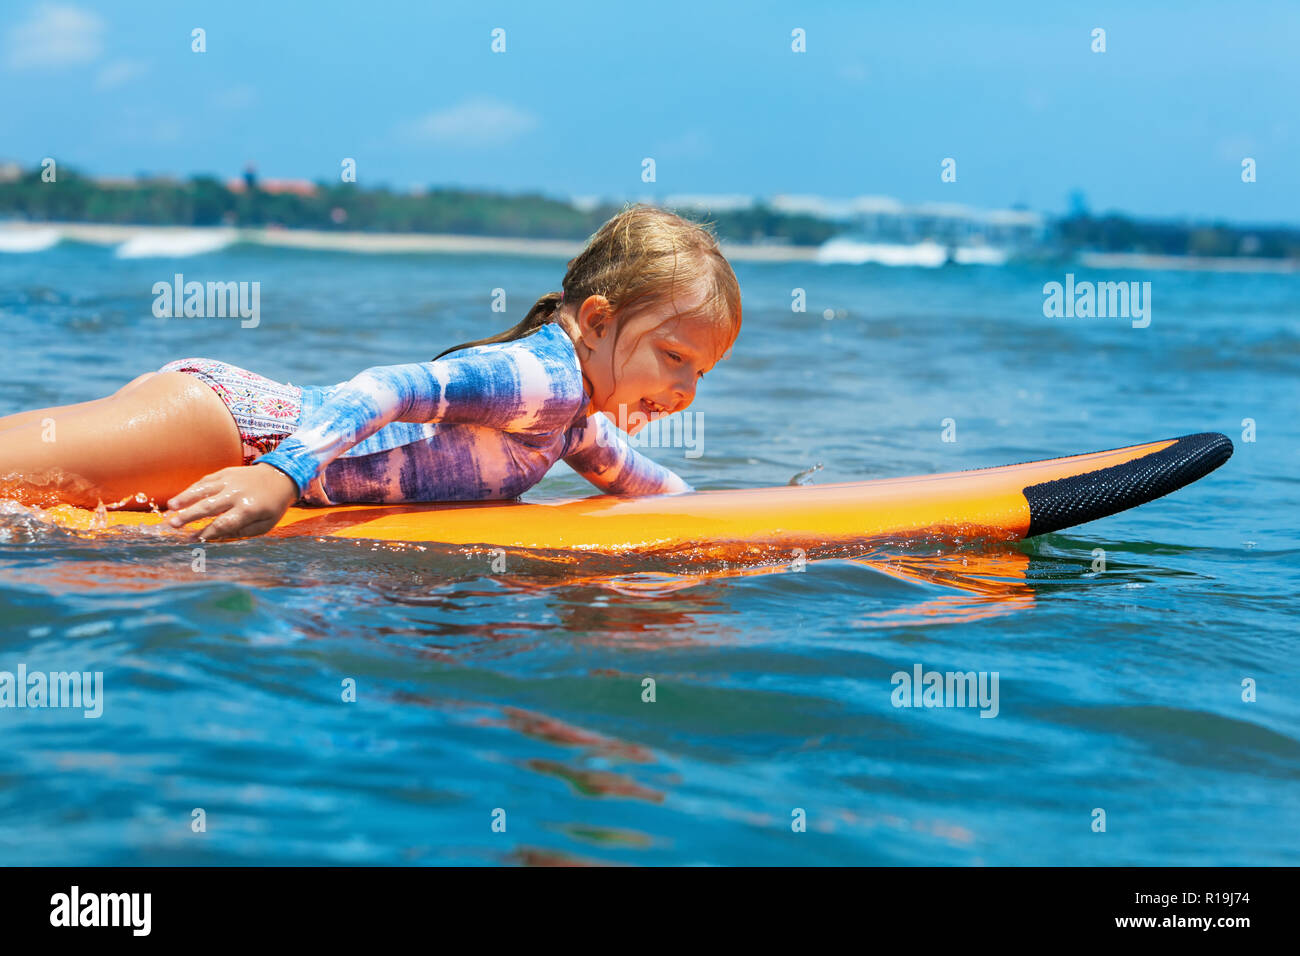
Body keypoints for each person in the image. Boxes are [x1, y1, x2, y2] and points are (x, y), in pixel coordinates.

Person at [0, 204, 742, 540]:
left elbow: (653, 488)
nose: (684, 391)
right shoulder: (539, 379)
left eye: (702, 374)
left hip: (230, 438)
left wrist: (760, 528)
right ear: (601, 321)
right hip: (231, 431)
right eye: (675, 358)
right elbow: (385, 388)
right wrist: (280, 478)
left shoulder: (573, 418)